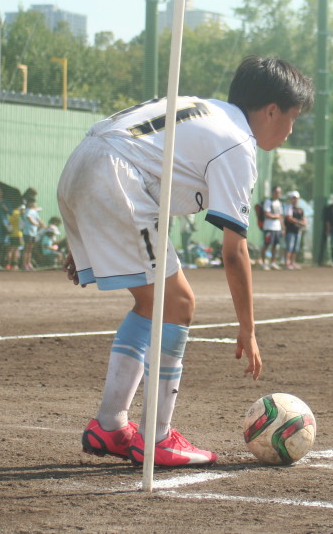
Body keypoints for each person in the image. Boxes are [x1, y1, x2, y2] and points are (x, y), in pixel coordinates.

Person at [57, 55, 313, 468]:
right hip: (115, 176)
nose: (291, 129)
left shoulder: (205, 111)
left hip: (82, 164)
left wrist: (86, 231)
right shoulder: (237, 144)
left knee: (152, 303)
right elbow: (234, 251)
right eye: (293, 117)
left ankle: (110, 425)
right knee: (179, 304)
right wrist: (247, 328)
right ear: (271, 111)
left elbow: (125, 147)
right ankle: (156, 438)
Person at [260, 185, 284, 270]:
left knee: (275, 245)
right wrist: (275, 216)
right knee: (266, 245)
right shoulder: (268, 201)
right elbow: (266, 213)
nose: (278, 194)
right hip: (269, 227)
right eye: (277, 192)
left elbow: (281, 216)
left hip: (277, 228)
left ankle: (273, 263)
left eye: (279, 192)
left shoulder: (279, 203)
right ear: (273, 193)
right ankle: (263, 263)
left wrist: (282, 227)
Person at [283, 191, 307, 269]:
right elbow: (289, 218)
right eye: (293, 198)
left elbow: (304, 219)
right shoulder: (289, 207)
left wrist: (303, 223)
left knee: (295, 248)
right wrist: (299, 222)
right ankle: (287, 262)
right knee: (289, 247)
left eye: (296, 198)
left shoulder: (300, 209)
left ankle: (292, 262)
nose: (294, 200)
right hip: (290, 230)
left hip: (298, 231)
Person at [21, 197, 45, 271]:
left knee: (30, 249)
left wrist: (43, 224)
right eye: (32, 202)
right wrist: (36, 224)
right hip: (28, 232)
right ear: (28, 203)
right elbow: (29, 218)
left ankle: (29, 263)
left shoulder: (34, 211)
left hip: (34, 233)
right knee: (27, 249)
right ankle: (24, 264)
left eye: (34, 202)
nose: (34, 204)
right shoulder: (27, 211)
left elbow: (38, 219)